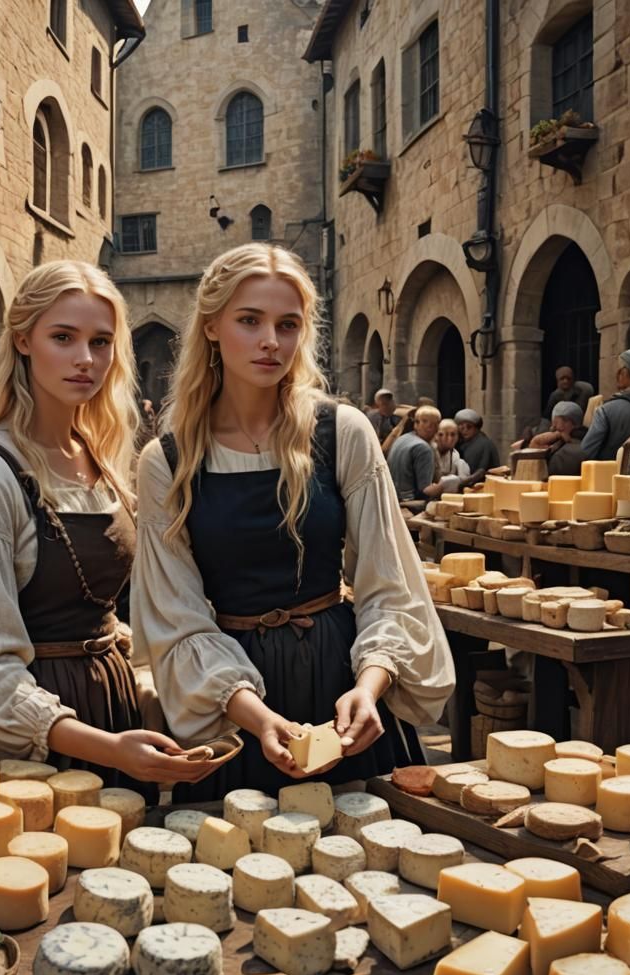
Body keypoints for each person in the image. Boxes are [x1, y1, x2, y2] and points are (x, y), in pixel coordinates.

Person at [131, 243, 453, 798]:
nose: (271, 342)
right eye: (249, 321)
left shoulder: (343, 432)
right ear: (211, 326)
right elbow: (175, 619)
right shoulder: (167, 461)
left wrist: (370, 686)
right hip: (232, 698)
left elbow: (391, 585)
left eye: (288, 325)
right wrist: (255, 718)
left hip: (341, 683)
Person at [0, 261, 217, 794]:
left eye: (101, 342)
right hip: (31, 740)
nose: (86, 358)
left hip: (109, 709)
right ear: (23, 340)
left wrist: (148, 682)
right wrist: (107, 747)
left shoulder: (99, 457)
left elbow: (98, 608)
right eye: (63, 337)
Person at [387, 405, 441, 502]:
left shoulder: (401, 439)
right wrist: (445, 485)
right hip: (409, 501)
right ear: (433, 426)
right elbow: (425, 490)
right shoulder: (423, 448)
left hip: (392, 499)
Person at [528, 401, 587, 476]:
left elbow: (544, 477)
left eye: (555, 422)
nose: (552, 427)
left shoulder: (564, 454)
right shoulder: (588, 443)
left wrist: (535, 446)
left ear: (568, 422)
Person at [454, 408, 501, 473]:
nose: (465, 430)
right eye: (462, 427)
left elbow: (481, 471)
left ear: (476, 428)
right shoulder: (460, 443)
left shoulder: (484, 444)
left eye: (469, 427)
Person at [433, 419, 471, 488]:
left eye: (453, 435)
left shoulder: (455, 454)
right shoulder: (429, 452)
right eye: (443, 434)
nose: (449, 438)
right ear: (436, 436)